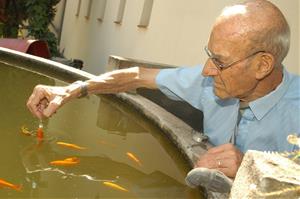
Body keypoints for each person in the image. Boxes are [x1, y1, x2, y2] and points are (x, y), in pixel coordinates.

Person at [27, 0, 299, 194]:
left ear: (263, 65)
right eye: (209, 55)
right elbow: (136, 76)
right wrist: (71, 89)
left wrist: (252, 173)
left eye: (220, 61)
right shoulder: (209, 83)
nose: (206, 70)